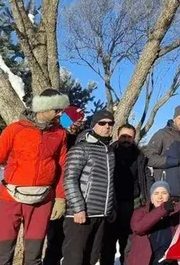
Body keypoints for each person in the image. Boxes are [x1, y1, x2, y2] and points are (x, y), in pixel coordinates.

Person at [0, 89, 69, 265]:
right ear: (43, 108)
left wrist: (60, 198)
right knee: (2, 254)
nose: (60, 114)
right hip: (10, 198)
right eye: (56, 110)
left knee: (34, 256)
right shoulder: (15, 129)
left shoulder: (60, 133)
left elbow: (62, 168)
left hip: (42, 200)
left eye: (61, 110)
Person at [63, 109, 116, 265]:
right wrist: (78, 208)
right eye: (102, 123)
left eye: (110, 123)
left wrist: (110, 208)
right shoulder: (81, 148)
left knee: (91, 259)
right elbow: (69, 179)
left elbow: (110, 182)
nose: (107, 126)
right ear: (93, 125)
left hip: (101, 214)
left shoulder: (109, 151)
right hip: (81, 214)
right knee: (74, 259)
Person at [101, 123, 153, 265]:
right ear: (117, 136)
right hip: (112, 203)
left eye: (129, 137)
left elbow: (147, 176)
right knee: (108, 242)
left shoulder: (140, 155)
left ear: (134, 138)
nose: (126, 139)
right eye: (123, 136)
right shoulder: (108, 153)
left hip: (133, 203)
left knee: (129, 242)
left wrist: (148, 198)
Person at [44, 104, 87, 265]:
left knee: (71, 244)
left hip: (74, 196)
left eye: (80, 122)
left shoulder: (80, 139)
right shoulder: (56, 136)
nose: (78, 125)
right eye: (76, 121)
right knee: (54, 240)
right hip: (55, 194)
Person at [144, 105, 180, 197]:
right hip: (165, 192)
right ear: (174, 118)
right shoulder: (162, 134)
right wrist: (174, 161)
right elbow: (149, 159)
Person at [125, 181, 180, 265]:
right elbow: (138, 228)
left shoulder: (176, 214)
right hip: (145, 261)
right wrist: (163, 209)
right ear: (151, 199)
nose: (160, 197)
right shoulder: (140, 212)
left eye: (164, 193)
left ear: (169, 196)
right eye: (156, 193)